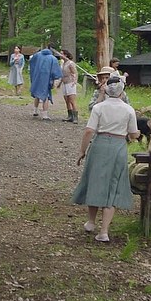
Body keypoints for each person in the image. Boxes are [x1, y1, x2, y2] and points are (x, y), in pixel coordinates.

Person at [71, 77, 140, 243]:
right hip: (118, 147)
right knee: (112, 186)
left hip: (99, 145)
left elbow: (89, 131)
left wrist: (82, 150)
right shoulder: (129, 110)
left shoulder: (99, 107)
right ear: (122, 92)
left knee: (96, 181)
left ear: (107, 91)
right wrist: (135, 133)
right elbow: (133, 134)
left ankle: (91, 222)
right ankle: (104, 231)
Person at [28, 47, 62, 120]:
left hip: (37, 78)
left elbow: (31, 63)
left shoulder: (37, 55)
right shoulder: (53, 58)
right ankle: (45, 115)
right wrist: (56, 79)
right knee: (46, 96)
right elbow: (56, 70)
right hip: (46, 79)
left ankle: (35, 110)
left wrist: (33, 75)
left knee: (37, 94)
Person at [59, 50, 79, 122]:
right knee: (66, 100)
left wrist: (75, 81)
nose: (60, 55)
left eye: (61, 54)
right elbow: (62, 74)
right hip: (64, 83)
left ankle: (75, 117)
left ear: (66, 55)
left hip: (70, 82)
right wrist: (60, 83)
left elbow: (75, 73)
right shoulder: (62, 63)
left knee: (72, 100)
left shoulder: (70, 63)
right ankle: (70, 116)